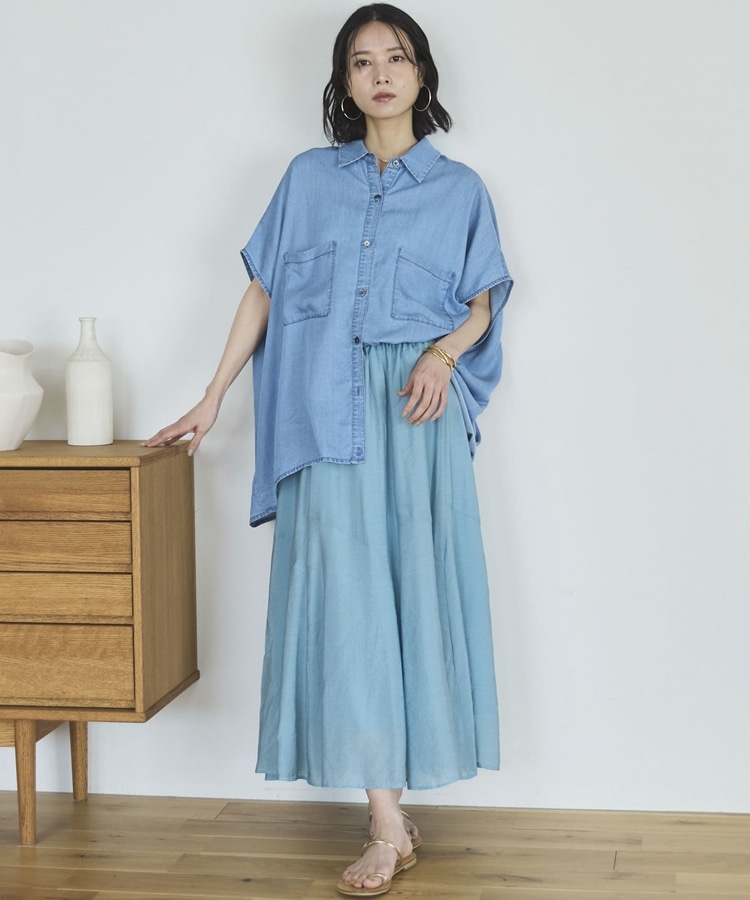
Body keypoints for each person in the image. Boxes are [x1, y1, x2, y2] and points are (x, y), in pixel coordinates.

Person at [145, 3, 512, 896]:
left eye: (397, 57)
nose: (380, 74)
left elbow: (484, 301)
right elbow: (265, 292)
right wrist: (213, 394)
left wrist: (441, 354)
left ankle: (394, 818)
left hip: (413, 417)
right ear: (343, 82)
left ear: (422, 74)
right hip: (320, 412)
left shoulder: (460, 190)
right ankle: (386, 820)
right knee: (349, 611)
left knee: (409, 599)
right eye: (361, 61)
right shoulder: (308, 178)